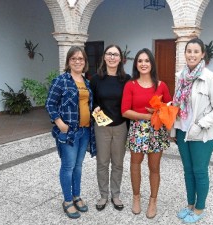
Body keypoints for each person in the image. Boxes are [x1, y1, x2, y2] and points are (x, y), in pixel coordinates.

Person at [171, 38, 213, 223]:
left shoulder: (210, 78)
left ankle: (200, 208)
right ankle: (190, 205)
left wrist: (200, 124)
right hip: (182, 130)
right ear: (184, 53)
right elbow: (178, 102)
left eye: (196, 51)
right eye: (189, 51)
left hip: (202, 133)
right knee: (188, 171)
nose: (192, 55)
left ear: (203, 54)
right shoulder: (181, 76)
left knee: (199, 170)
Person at [45, 46, 96, 219]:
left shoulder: (86, 82)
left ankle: (77, 196)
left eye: (81, 59)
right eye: (74, 58)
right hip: (69, 132)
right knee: (68, 166)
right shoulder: (61, 81)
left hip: (85, 130)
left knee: (78, 166)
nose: (77, 61)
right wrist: (59, 123)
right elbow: (50, 104)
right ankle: (67, 200)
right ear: (68, 61)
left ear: (85, 62)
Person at [121, 48, 172, 219]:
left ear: (152, 64)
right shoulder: (131, 85)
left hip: (157, 130)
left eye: (147, 61)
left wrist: (160, 111)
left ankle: (153, 200)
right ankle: (136, 197)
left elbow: (169, 107)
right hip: (137, 129)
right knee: (135, 164)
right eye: (140, 61)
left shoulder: (161, 85)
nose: (143, 64)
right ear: (136, 64)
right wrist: (147, 115)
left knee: (154, 167)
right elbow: (125, 111)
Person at [90, 44, 131, 211]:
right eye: (109, 54)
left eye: (115, 54)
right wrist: (94, 108)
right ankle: (103, 195)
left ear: (120, 58)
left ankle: (115, 194)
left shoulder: (126, 79)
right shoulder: (96, 79)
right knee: (102, 162)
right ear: (104, 57)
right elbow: (91, 101)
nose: (112, 57)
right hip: (102, 126)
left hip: (121, 125)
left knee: (118, 163)